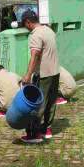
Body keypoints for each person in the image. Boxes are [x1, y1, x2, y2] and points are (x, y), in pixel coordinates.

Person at [21, 10, 60, 143]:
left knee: (38, 104)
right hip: (55, 72)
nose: (25, 27)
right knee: (51, 102)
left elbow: (34, 56)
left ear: (28, 22)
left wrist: (28, 75)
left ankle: (34, 134)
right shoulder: (49, 30)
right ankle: (47, 128)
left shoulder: (35, 35)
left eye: (24, 24)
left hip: (44, 74)